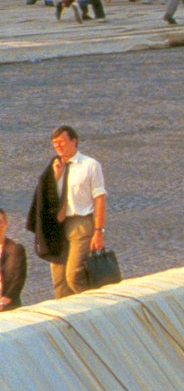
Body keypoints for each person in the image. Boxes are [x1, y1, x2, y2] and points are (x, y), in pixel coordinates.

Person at [28, 126, 106, 298]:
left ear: (74, 141)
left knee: (74, 275)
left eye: (62, 142)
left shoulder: (90, 165)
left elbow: (99, 199)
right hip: (57, 226)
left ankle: (92, 307)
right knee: (59, 280)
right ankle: (66, 318)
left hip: (81, 223)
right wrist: (56, 177)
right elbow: (46, 197)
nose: (58, 146)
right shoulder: (54, 167)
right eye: (55, 143)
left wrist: (99, 231)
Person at [0, 209, 24, 311]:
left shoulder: (15, 249)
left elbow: (17, 280)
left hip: (6, 305)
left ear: (6, 224)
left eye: (0, 222)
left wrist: (4, 301)